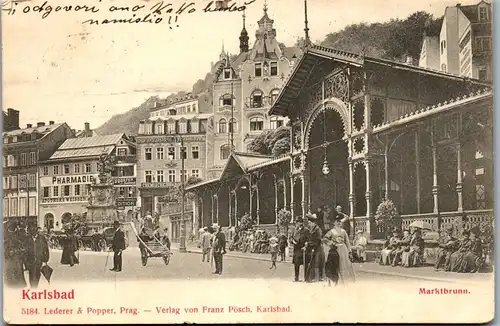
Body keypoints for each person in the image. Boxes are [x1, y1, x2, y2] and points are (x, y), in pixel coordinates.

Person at [323, 217, 355, 285]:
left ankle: (344, 281)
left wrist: (350, 252)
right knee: (335, 265)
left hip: (343, 249)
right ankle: (336, 280)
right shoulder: (331, 231)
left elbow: (347, 242)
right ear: (334, 223)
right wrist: (332, 243)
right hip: (335, 249)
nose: (338, 223)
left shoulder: (343, 231)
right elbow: (325, 239)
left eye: (339, 221)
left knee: (344, 265)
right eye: (336, 221)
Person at [4, 221, 28, 288]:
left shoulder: (19, 235)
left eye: (14, 227)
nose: (14, 228)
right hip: (9, 260)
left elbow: (23, 246)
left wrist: (20, 251)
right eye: (12, 227)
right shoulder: (5, 236)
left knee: (18, 277)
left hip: (17, 260)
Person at [304, 213, 323, 283]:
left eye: (310, 221)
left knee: (312, 263)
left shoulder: (317, 229)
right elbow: (307, 237)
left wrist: (311, 244)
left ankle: (310, 278)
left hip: (315, 248)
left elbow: (319, 238)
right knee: (308, 262)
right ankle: (308, 278)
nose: (309, 223)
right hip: (309, 248)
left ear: (312, 222)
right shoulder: (309, 228)